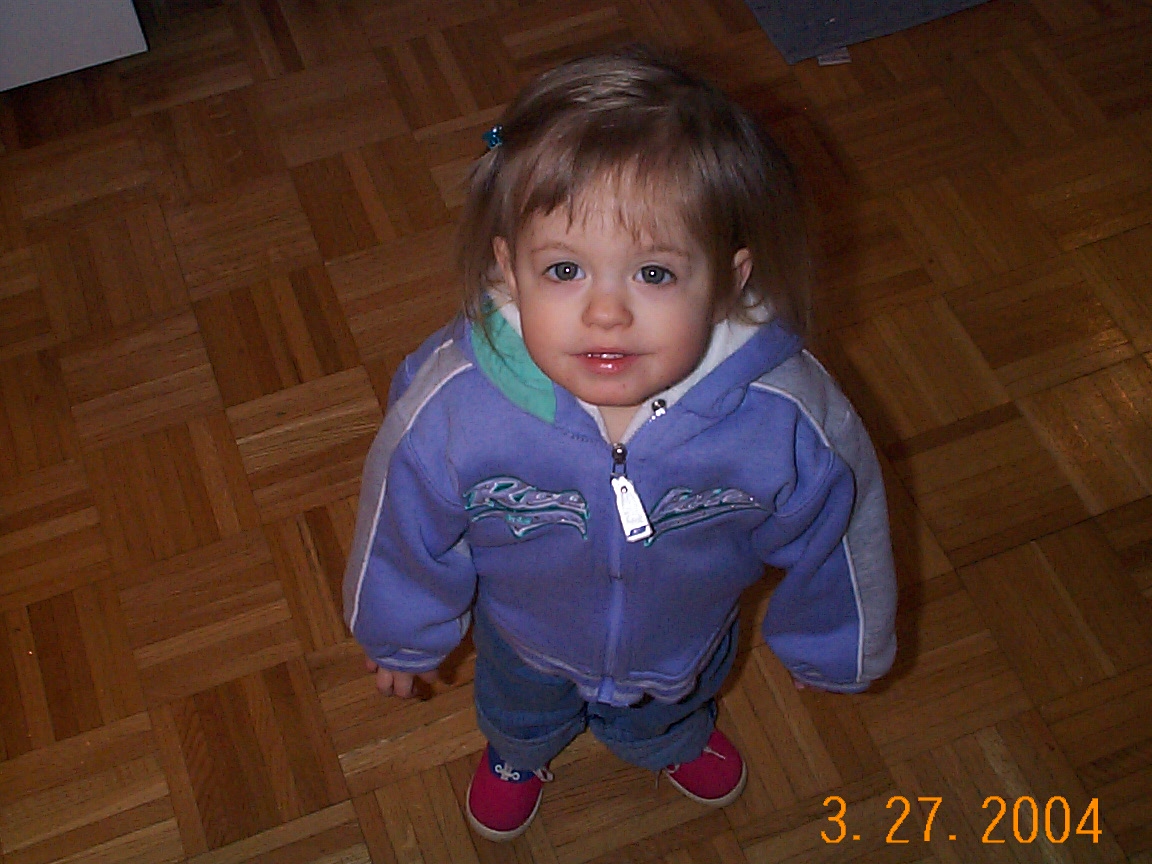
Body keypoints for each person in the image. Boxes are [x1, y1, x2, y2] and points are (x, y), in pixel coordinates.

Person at [342, 45, 897, 843]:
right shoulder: (456, 407)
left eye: (655, 274)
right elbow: (400, 522)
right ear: (509, 270)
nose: (607, 313)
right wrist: (400, 633)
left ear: (730, 279)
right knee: (519, 704)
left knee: (674, 700)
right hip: (525, 631)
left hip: (684, 636)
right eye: (565, 270)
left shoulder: (785, 415)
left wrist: (834, 643)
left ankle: (667, 737)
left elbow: (840, 528)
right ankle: (519, 753)